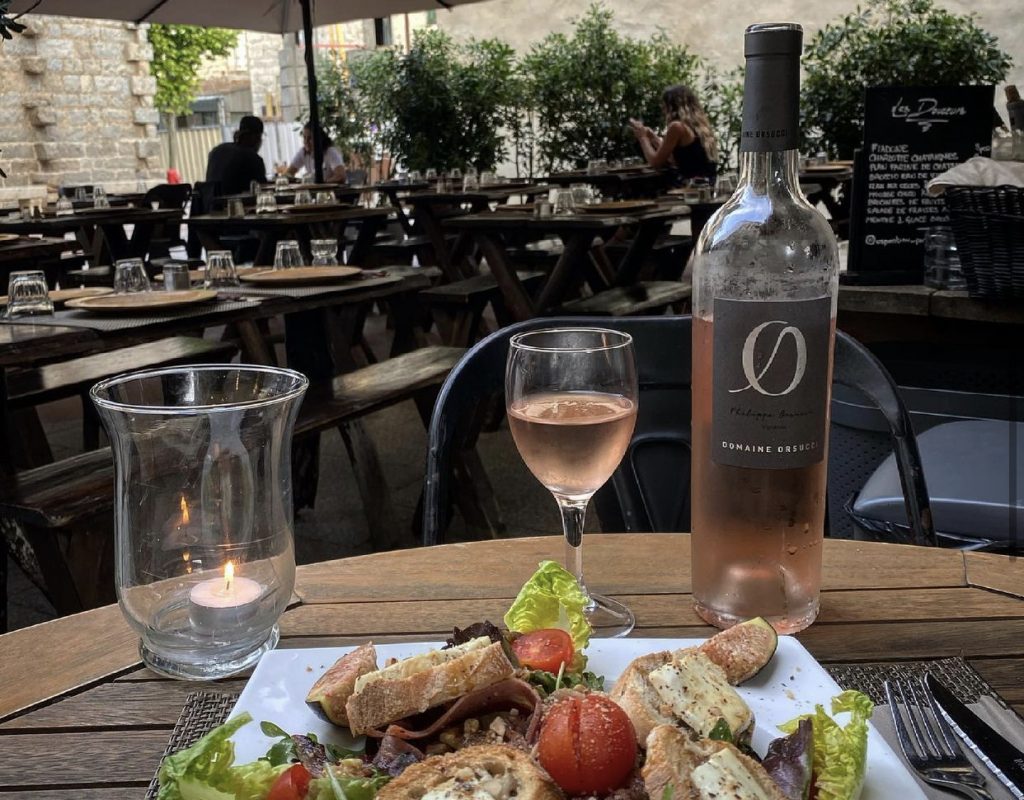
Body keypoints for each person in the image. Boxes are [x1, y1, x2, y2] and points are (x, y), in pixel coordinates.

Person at [629, 84, 717, 186]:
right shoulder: (699, 126)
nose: (662, 109)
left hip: (691, 188)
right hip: (707, 185)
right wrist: (652, 137)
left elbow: (656, 162)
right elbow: (677, 157)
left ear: (671, 106)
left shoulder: (677, 127)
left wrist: (642, 137)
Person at [204, 115, 267, 196]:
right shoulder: (252, 158)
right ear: (255, 137)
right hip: (236, 206)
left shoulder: (217, 151)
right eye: (260, 137)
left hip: (210, 205)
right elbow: (262, 190)